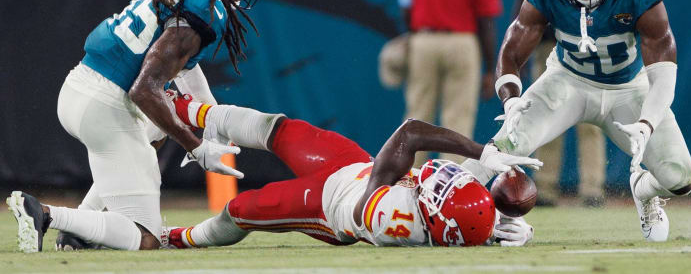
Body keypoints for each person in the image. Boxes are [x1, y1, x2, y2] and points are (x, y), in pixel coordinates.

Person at [6, 0, 264, 253]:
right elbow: (144, 89)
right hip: (107, 105)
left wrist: (209, 116)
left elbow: (181, 62)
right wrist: (195, 146)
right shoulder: (202, 8)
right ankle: (44, 214)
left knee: (156, 132)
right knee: (146, 238)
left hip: (81, 86)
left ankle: (82, 229)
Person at [492, 0, 691, 242]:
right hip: (566, 82)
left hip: (628, 90)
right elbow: (512, 51)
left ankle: (644, 190)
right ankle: (462, 214)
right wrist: (512, 99)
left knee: (680, 178)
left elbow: (664, 73)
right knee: (500, 149)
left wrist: (647, 123)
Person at [159, 92, 541, 248]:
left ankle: (176, 238)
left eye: (436, 191)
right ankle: (185, 108)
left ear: (433, 218)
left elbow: (409, 133)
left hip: (329, 205)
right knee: (278, 128)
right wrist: (492, 221)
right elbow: (459, 216)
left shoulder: (392, 219)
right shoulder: (447, 221)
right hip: (352, 165)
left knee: (242, 210)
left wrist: (488, 226)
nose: (433, 178)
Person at [511, 0, 607, 207]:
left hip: (593, 46)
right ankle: (547, 187)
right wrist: (517, 47)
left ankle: (592, 189)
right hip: (552, 46)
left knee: (592, 118)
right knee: (547, 114)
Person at [397, 0, 502, 166]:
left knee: (417, 115)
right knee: (457, 119)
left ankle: (407, 181)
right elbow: (485, 23)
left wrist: (412, 35)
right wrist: (491, 69)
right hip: (461, 43)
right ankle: (449, 185)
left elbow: (405, 5)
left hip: (424, 39)